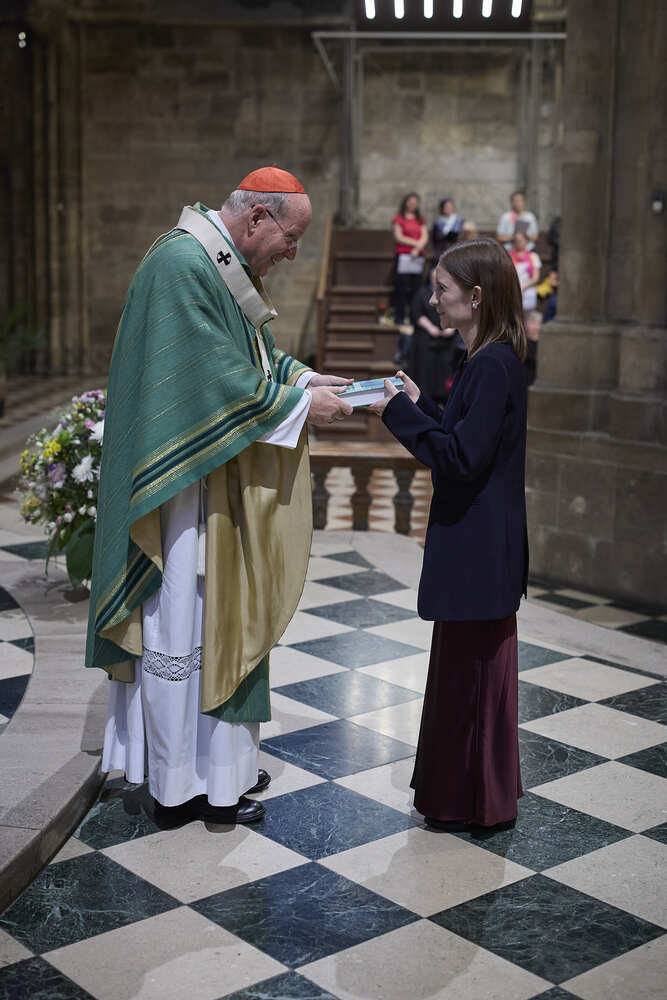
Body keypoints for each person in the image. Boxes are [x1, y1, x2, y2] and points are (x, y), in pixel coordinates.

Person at [85, 166, 354, 826]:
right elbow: (210, 380)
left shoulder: (219, 261)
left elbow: (248, 355)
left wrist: (302, 379)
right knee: (185, 621)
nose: (293, 252)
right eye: (291, 237)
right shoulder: (183, 265)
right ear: (258, 217)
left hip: (212, 482)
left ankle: (218, 770)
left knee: (216, 624)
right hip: (182, 496)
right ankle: (180, 784)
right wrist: (298, 407)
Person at [370, 239, 528, 830]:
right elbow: (467, 441)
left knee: (472, 678)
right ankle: (463, 794)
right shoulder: (487, 359)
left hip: (479, 548)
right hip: (480, 545)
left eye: (442, 289)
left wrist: (396, 414)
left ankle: (472, 800)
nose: (433, 299)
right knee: (464, 675)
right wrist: (420, 406)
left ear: (477, 296)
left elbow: (460, 460)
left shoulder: (491, 364)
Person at [408, 265, 462, 407]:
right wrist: (430, 328)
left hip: (447, 338)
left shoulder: (452, 294)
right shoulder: (422, 293)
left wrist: (452, 328)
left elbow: (459, 311)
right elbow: (416, 313)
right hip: (427, 336)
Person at [392, 193, 428, 359]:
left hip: (417, 258)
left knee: (416, 289)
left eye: (415, 202)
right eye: (410, 201)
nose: (413, 204)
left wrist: (418, 248)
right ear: (406, 202)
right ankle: (399, 317)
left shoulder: (421, 219)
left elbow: (425, 236)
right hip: (403, 256)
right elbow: (398, 236)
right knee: (401, 288)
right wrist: (416, 244)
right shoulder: (399, 218)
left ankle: (414, 317)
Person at [510, 230, 541, 313]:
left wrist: (523, 287)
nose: (518, 242)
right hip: (513, 290)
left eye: (520, 240)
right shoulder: (509, 256)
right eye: (516, 240)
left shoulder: (533, 256)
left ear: (526, 241)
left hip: (528, 291)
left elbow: (535, 278)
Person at [524, 309, 542, 385]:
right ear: (526, 324)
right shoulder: (522, 344)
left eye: (539, 323)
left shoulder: (546, 345)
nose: (536, 327)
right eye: (533, 322)